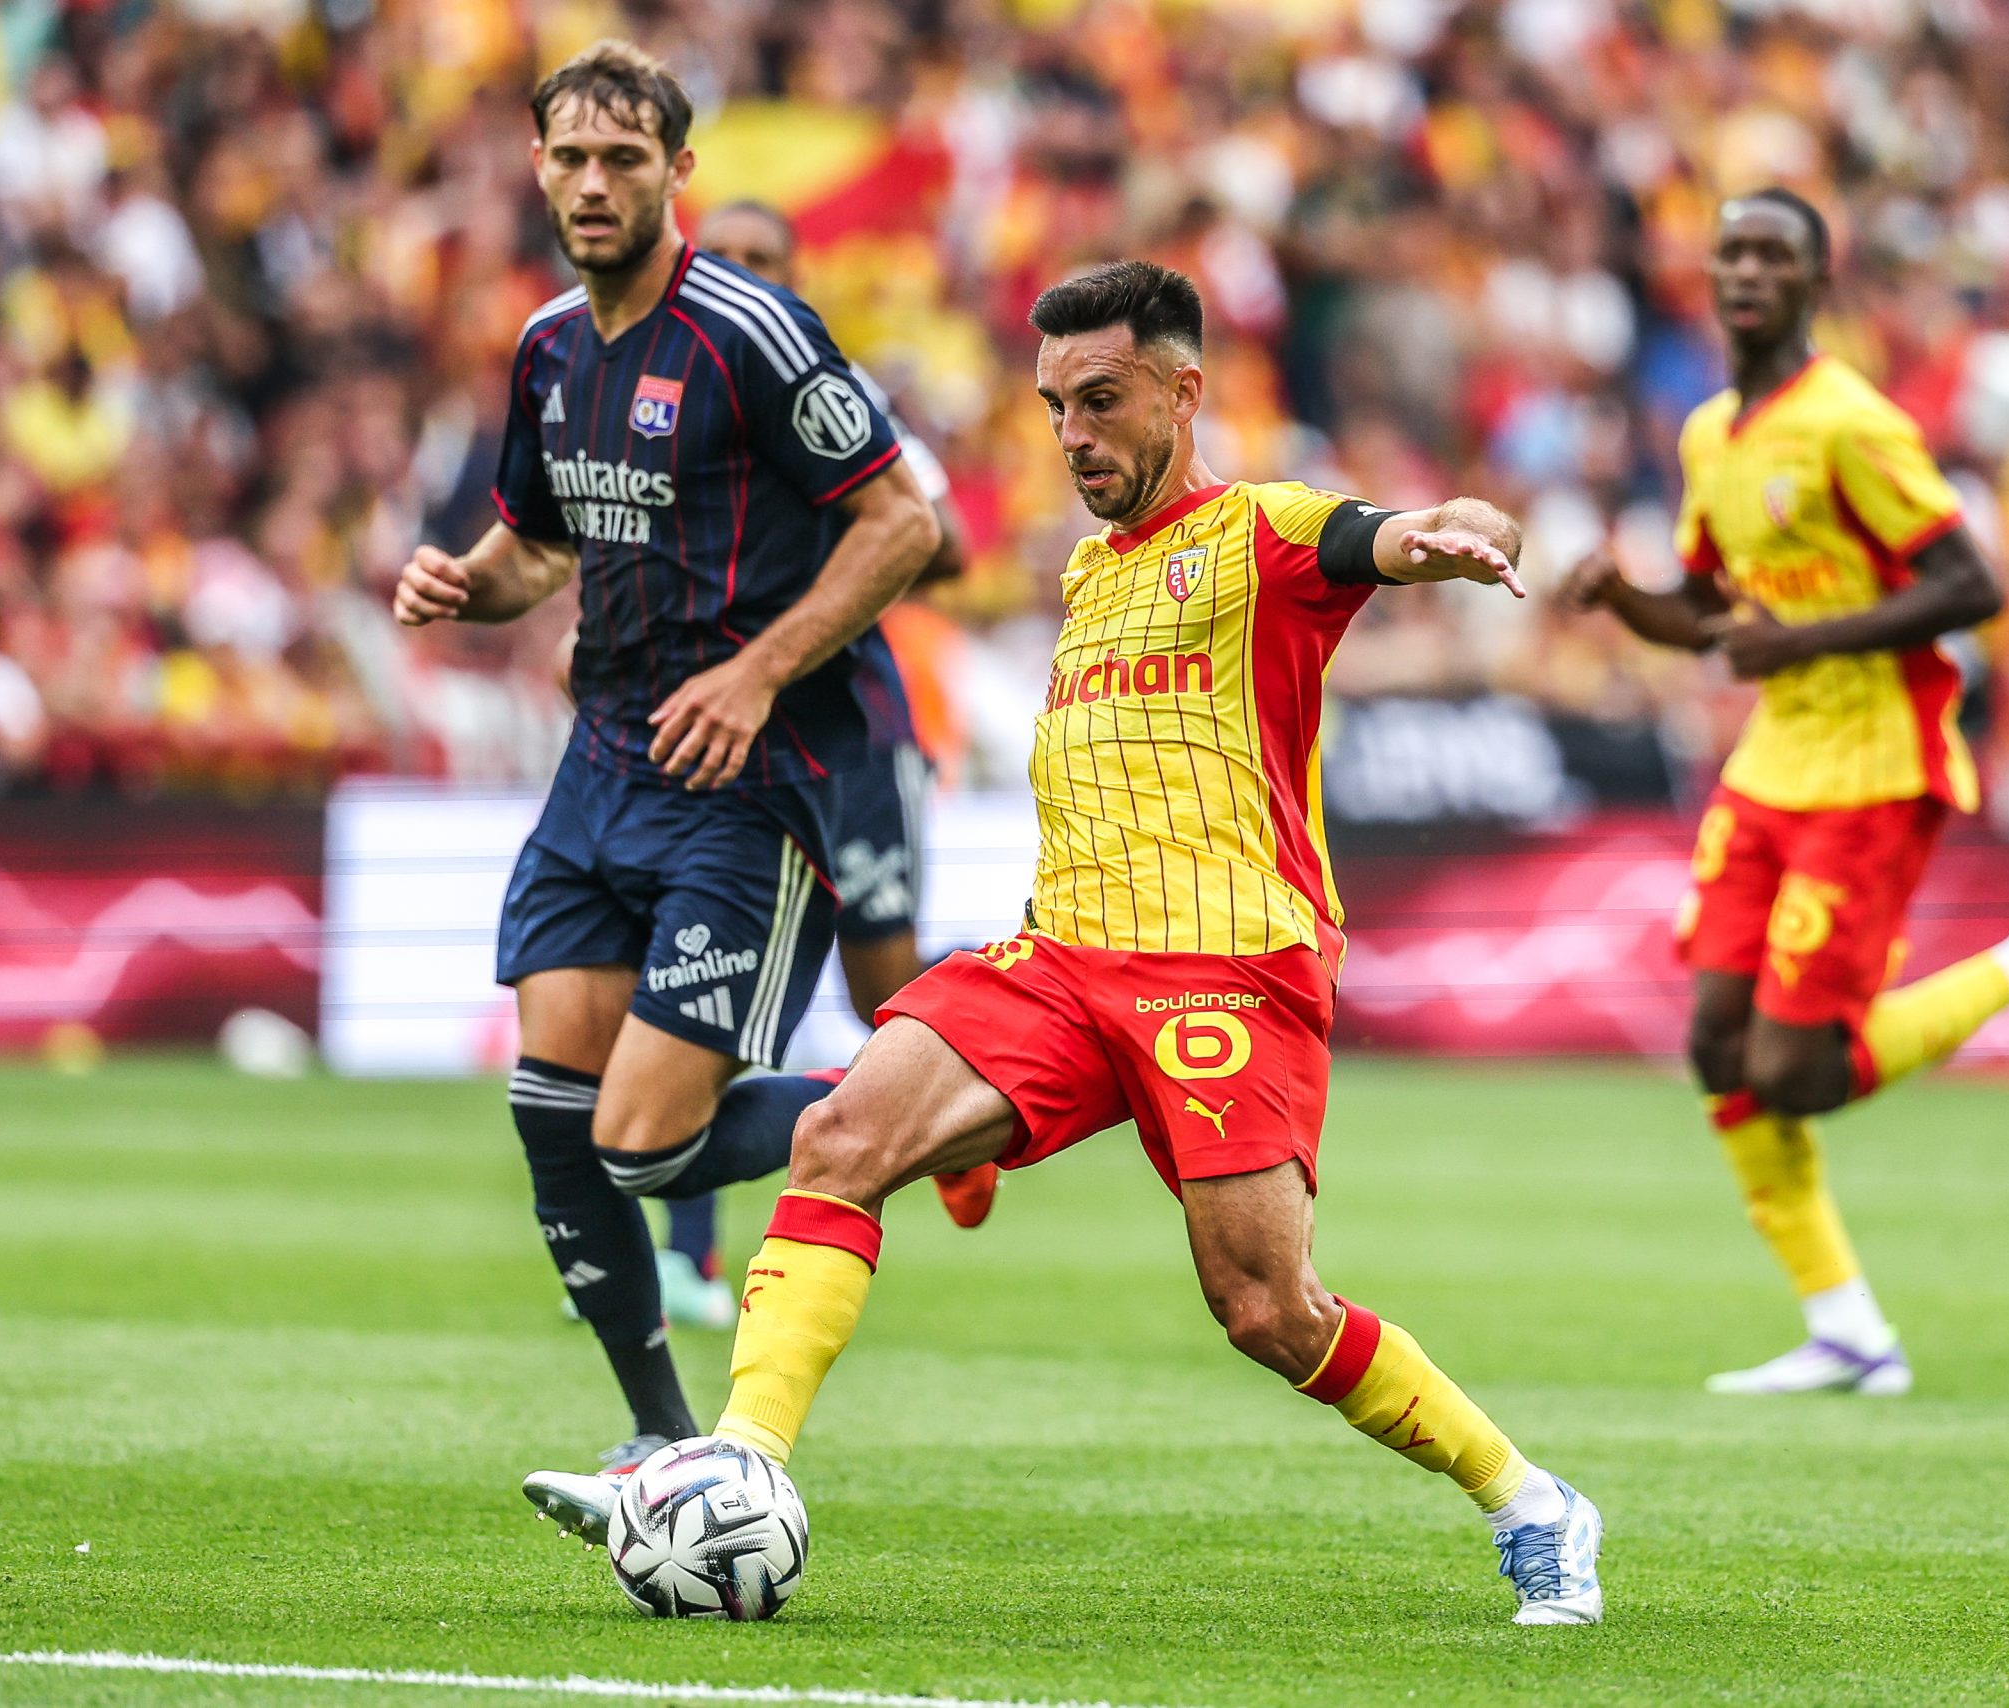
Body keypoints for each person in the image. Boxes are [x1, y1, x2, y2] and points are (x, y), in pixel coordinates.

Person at [524, 259, 1606, 1625]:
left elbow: (1384, 535)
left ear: (1184, 392)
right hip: (1063, 962)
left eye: (1102, 400)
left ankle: (1531, 1500)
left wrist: (1450, 531)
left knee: (1267, 1309)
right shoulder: (1091, 574)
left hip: (1226, 973)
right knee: (838, 1140)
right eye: (1053, 407)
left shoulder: (1262, 533)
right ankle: (738, 1462)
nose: (1072, 435)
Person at [391, 42, 940, 1479]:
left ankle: (934, 1101)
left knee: (641, 1145)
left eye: (623, 160)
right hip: (602, 769)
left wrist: (757, 673)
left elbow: (903, 523)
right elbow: (536, 548)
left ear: (676, 173)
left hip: (752, 788)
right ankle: (659, 1437)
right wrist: (466, 582)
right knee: (552, 1115)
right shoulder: (547, 347)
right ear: (536, 167)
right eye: (570, 158)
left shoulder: (750, 330)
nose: (593, 184)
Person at [1564, 188, 2009, 1396]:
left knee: (1797, 1073)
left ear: (1815, 282)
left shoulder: (1851, 423)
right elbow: (1712, 615)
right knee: (1716, 1047)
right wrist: (1623, 599)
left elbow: (1970, 585)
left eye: (1772, 255)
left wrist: (1807, 640)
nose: (1746, 272)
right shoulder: (1710, 435)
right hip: (1772, 761)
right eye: (1731, 253)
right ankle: (1846, 1329)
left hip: (1876, 764)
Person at [617, 199, 993, 1323]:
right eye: (724, 258)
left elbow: (945, 540)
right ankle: (688, 1261)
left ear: (798, 278)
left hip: (851, 738)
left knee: (885, 991)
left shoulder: (836, 393)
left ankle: (977, 1078)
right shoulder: (659, 402)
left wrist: (822, 531)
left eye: (765, 260)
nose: (743, 276)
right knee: (704, 992)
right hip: (721, 739)